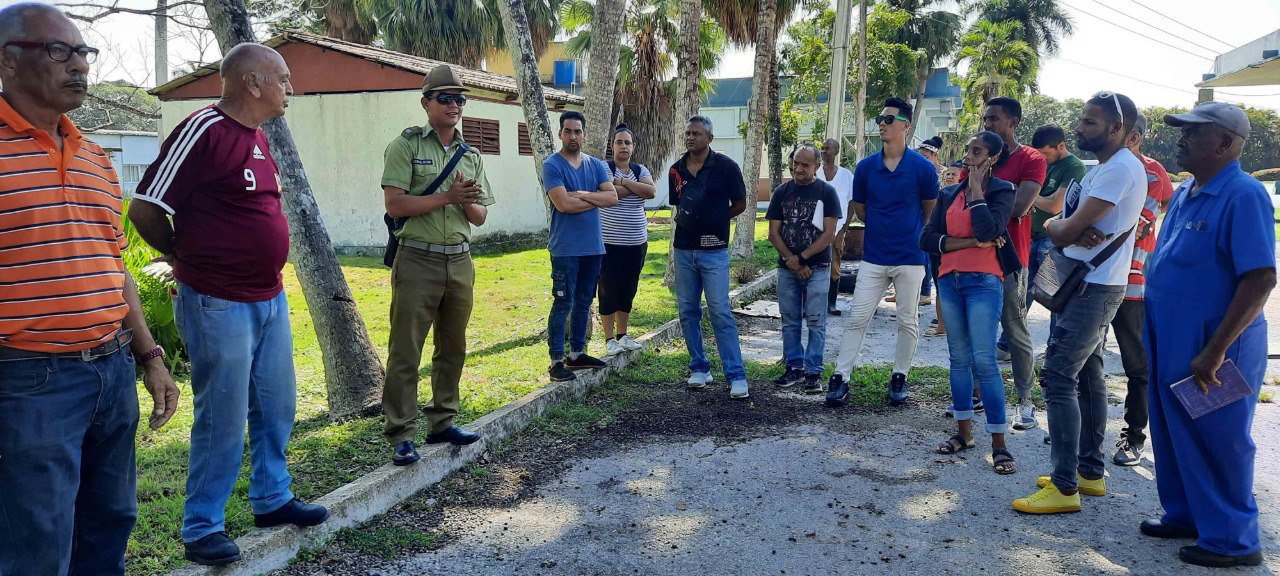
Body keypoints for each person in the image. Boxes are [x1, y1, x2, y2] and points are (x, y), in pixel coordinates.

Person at [129, 43, 329, 565]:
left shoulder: (260, 137)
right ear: (253, 82)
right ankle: (202, 527)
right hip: (216, 300)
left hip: (269, 298)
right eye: (283, 79)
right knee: (222, 414)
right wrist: (183, 255)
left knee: (277, 404)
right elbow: (146, 207)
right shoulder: (204, 129)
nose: (291, 89)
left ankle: (272, 497)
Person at [0, 5, 179, 574]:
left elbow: (113, 264)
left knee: (110, 522)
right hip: (29, 380)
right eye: (58, 51)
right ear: (7, 59)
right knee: (37, 539)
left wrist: (149, 354)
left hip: (111, 370)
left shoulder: (97, 159)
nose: (79, 66)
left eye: (83, 53)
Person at [1141, 102, 1272, 568]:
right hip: (1170, 331)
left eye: (1193, 133)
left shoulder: (1243, 193)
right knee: (1173, 425)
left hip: (1214, 340)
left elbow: (1260, 278)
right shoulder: (1186, 190)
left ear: (1224, 143)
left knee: (1220, 436)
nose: (1181, 140)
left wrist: (1215, 350)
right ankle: (1187, 514)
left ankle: (1234, 540)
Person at [1013, 91, 1145, 515]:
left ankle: (1065, 486)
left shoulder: (1118, 169)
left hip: (1094, 288)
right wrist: (1062, 224)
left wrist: (1060, 226)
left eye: (1090, 122)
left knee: (1058, 377)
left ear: (1118, 128)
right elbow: (1060, 221)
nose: (1081, 128)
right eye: (1083, 119)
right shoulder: (1106, 169)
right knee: (1088, 376)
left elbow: (1062, 229)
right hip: (1088, 284)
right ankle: (1088, 472)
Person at [379, 65, 494, 467]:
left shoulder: (471, 154)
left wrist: (462, 199)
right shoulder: (406, 146)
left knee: (453, 347)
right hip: (417, 259)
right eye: (445, 98)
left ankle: (443, 420)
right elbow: (395, 205)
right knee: (406, 349)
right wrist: (448, 197)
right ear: (426, 102)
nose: (454, 105)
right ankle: (402, 433)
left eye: (460, 99)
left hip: (459, 261)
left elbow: (479, 216)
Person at [826, 97, 939, 407]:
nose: (882, 124)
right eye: (880, 119)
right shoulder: (866, 167)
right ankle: (840, 378)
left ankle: (899, 376)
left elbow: (930, 212)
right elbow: (860, 207)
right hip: (874, 257)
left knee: (908, 320)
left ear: (906, 125)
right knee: (857, 317)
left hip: (910, 258)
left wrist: (907, 231)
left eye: (889, 119)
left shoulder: (923, 169)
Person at [921, 131, 1020, 474]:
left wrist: (977, 190)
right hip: (950, 281)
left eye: (976, 151)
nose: (967, 156)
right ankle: (964, 434)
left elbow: (987, 231)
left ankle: (999, 443)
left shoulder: (1003, 191)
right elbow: (927, 238)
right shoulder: (948, 193)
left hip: (984, 283)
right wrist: (963, 246)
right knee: (958, 359)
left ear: (992, 158)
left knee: (984, 360)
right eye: (967, 150)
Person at [668, 115, 750, 399]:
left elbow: (741, 201)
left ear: (709, 139)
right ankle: (699, 368)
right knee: (688, 312)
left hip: (714, 251)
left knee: (719, 311)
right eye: (688, 133)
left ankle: (736, 375)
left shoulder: (726, 167)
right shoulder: (676, 170)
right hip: (683, 251)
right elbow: (679, 205)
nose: (691, 138)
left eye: (697, 133)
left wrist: (719, 219)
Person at [1109, 114, 1173, 466]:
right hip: (1096, 282)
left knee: (1137, 365)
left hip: (1132, 284)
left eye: (1113, 128)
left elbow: (1156, 212)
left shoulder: (1152, 172)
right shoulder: (1103, 169)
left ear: (1133, 136)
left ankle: (1134, 437)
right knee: (1086, 361)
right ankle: (1083, 433)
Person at [982, 97, 1047, 431]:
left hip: (1010, 259)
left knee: (1015, 330)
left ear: (1014, 122)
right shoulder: (979, 157)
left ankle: (1025, 401)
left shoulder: (1031, 158)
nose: (987, 123)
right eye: (984, 118)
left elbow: (1019, 206)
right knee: (976, 332)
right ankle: (978, 394)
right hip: (975, 256)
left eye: (994, 118)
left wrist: (985, 207)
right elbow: (960, 202)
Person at [543, 110, 618, 382]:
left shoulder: (596, 165)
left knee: (585, 302)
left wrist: (583, 195)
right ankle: (556, 361)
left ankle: (577, 354)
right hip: (565, 249)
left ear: (584, 134)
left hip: (593, 247)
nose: (573, 136)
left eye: (577, 131)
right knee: (563, 303)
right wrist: (595, 198)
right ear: (560, 133)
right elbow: (563, 204)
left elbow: (613, 199)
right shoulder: (552, 165)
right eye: (568, 131)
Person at [767, 144, 842, 393]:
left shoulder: (827, 192)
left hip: (818, 267)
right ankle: (793, 367)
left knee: (816, 320)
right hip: (787, 268)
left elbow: (829, 234)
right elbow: (773, 233)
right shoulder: (781, 192)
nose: (798, 168)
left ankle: (813, 371)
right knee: (789, 320)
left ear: (817, 167)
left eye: (805, 165)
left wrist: (802, 259)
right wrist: (792, 260)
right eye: (796, 163)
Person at [1023, 124, 1087, 375]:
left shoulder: (1074, 167)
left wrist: (1026, 192)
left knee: (1053, 298)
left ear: (1061, 146)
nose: (1041, 159)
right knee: (1020, 296)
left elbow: (1054, 205)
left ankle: (1053, 351)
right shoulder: (1042, 161)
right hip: (1030, 236)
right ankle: (1006, 344)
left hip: (1052, 241)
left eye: (1045, 154)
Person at [599, 123, 655, 356]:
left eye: (628, 143)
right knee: (608, 290)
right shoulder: (604, 167)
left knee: (628, 289)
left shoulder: (640, 169)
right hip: (609, 243)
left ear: (633, 147)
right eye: (620, 142)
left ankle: (623, 335)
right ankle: (609, 338)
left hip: (636, 244)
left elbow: (650, 192)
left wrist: (622, 183)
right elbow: (610, 194)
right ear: (612, 146)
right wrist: (634, 188)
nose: (624, 146)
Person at [819, 137, 854, 317]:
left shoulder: (846, 176)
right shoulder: (815, 173)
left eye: (827, 148)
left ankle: (831, 303)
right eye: (822, 148)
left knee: (834, 265)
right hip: (815, 229)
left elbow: (851, 204)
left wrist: (843, 230)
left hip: (837, 229)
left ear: (837, 151)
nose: (824, 151)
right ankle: (813, 302)